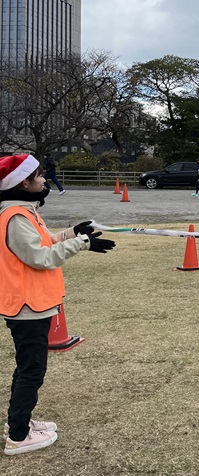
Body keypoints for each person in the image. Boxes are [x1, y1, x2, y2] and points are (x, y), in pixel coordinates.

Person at [0, 154, 116, 456]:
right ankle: (18, 436)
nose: (44, 179)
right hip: (26, 306)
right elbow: (40, 258)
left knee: (28, 368)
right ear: (23, 183)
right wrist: (83, 243)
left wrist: (72, 233)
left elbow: (46, 241)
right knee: (31, 370)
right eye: (38, 175)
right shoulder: (15, 216)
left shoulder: (25, 211)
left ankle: (20, 422)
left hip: (33, 304)